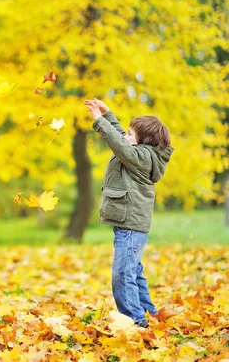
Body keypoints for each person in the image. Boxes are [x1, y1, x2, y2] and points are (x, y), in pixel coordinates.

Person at [85, 98, 173, 328]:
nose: (126, 135)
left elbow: (119, 144)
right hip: (130, 223)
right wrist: (108, 114)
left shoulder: (141, 157)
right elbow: (123, 138)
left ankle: (134, 322)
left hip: (131, 225)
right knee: (133, 272)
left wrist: (98, 121)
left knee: (123, 275)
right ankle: (149, 313)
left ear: (144, 143)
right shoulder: (142, 152)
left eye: (131, 134)